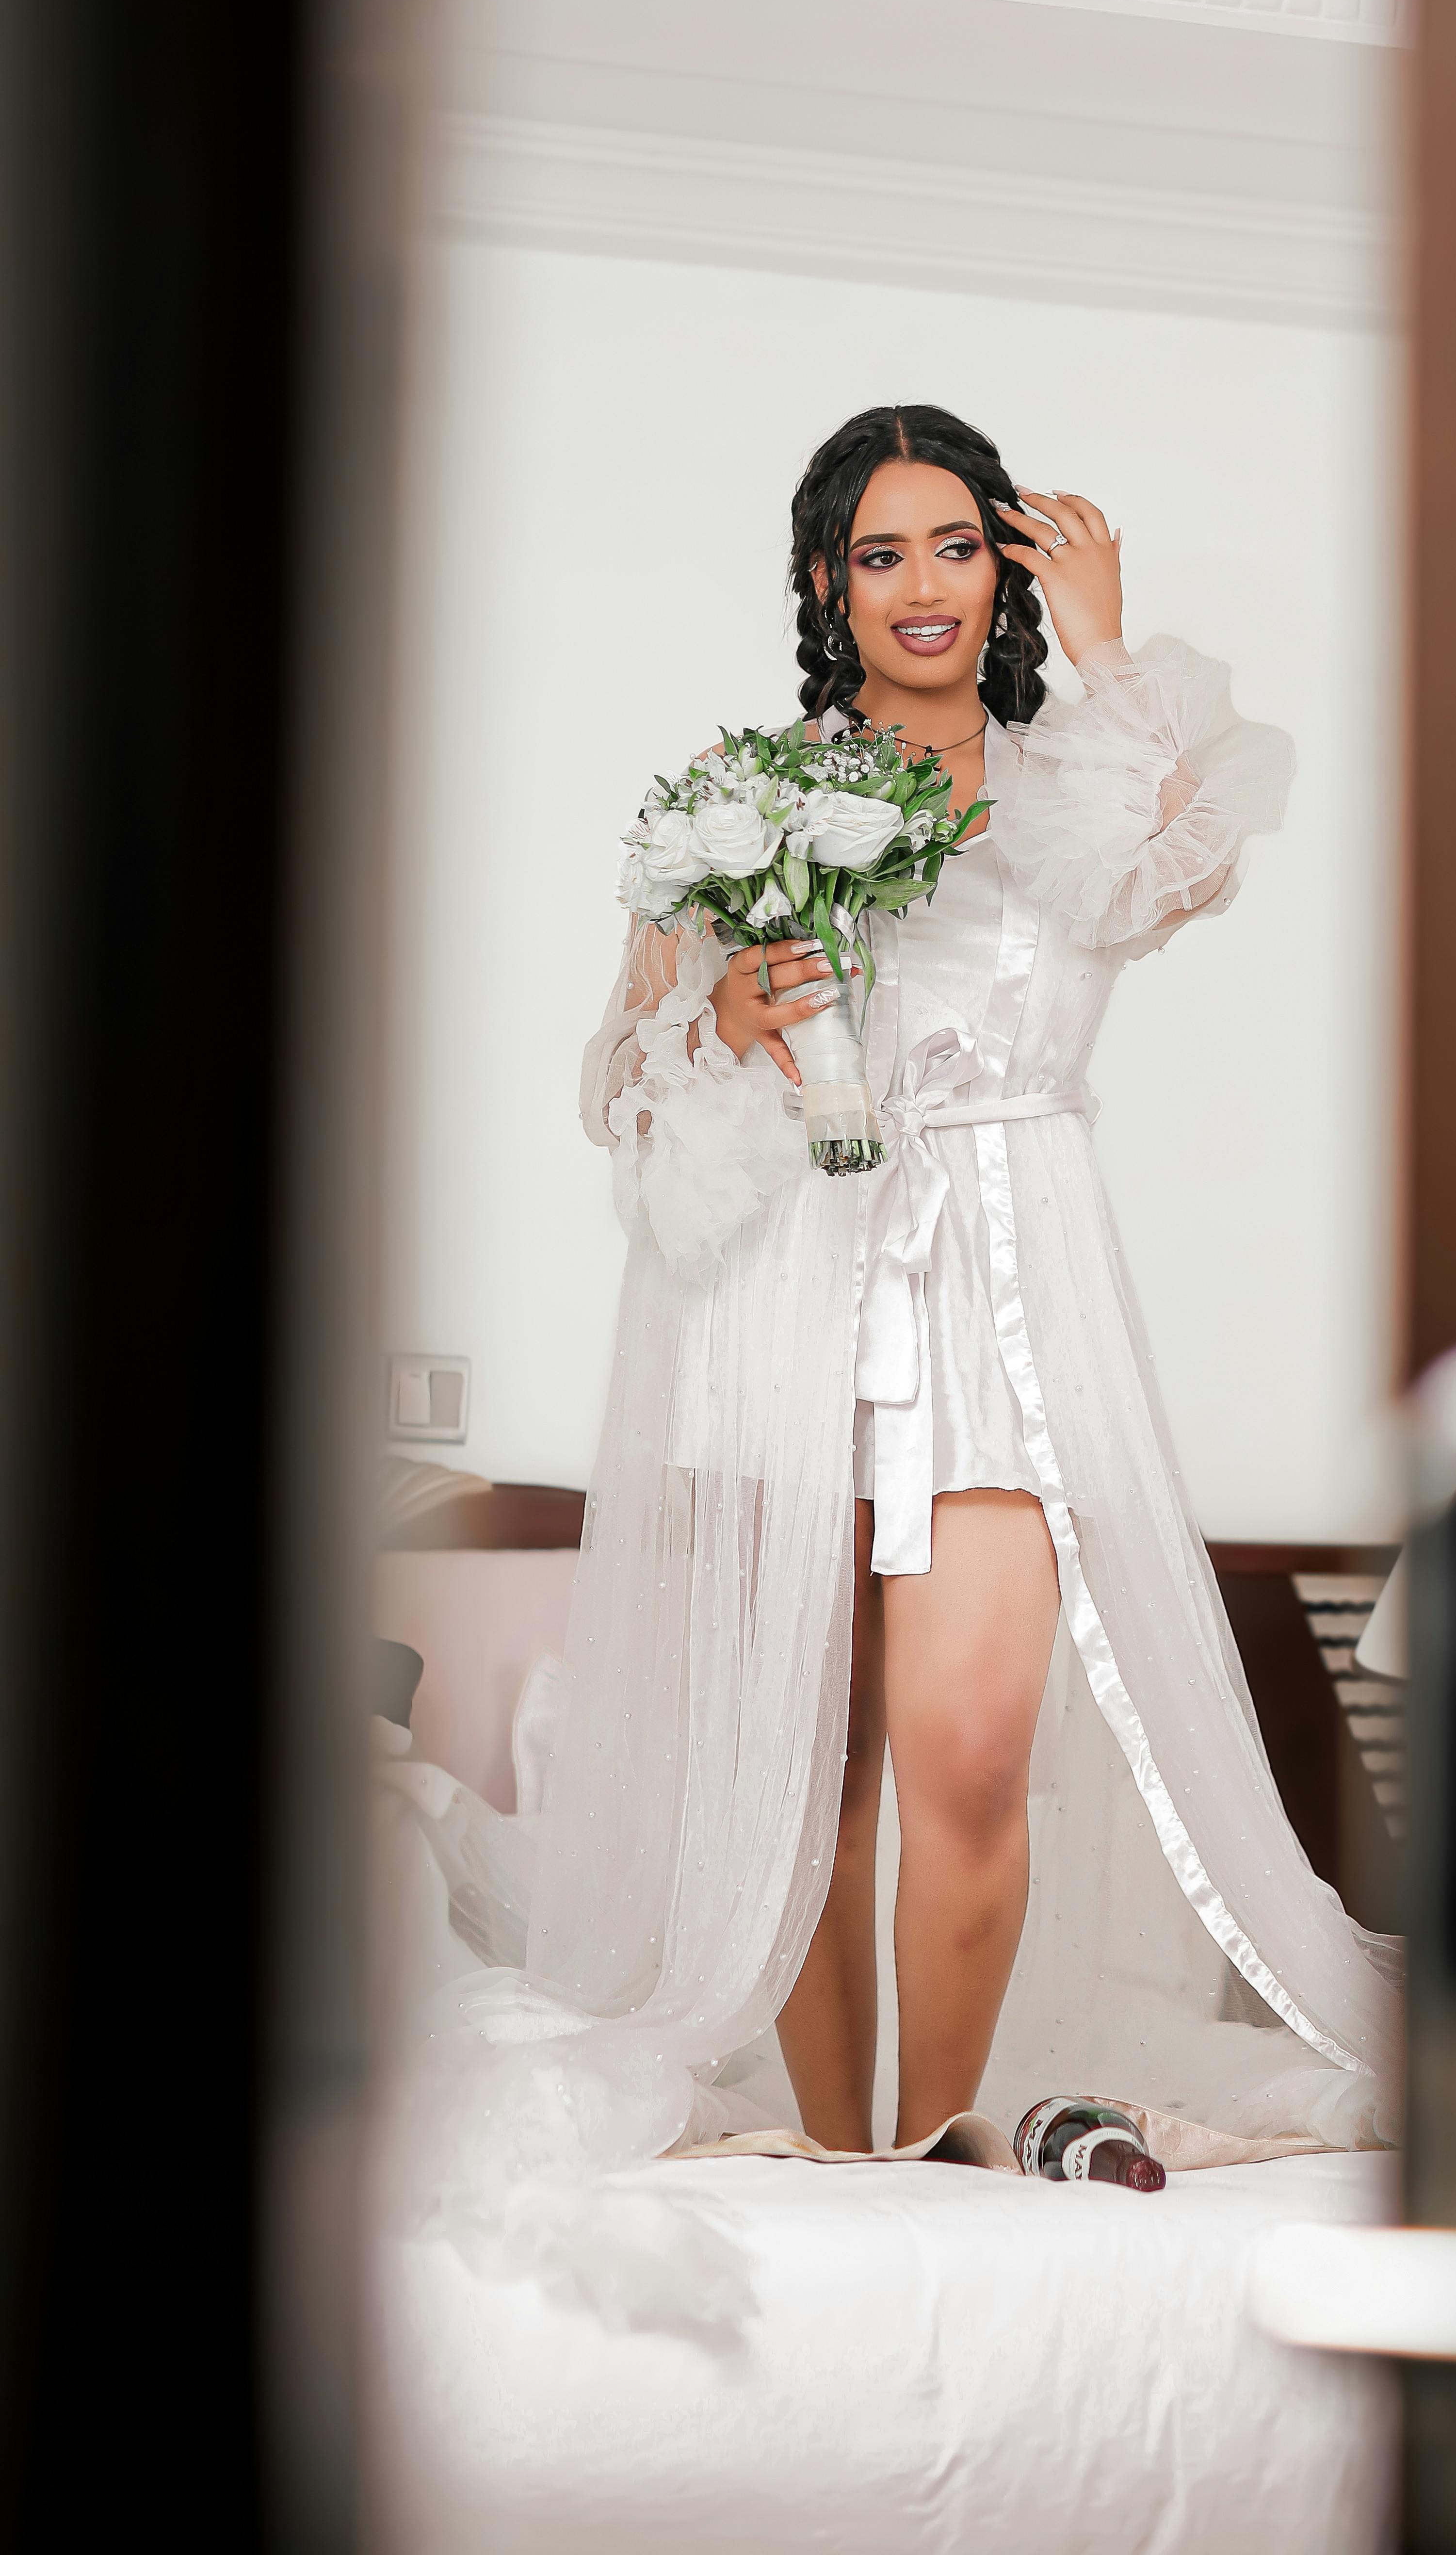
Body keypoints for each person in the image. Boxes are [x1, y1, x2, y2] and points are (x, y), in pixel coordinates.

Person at [429, 403, 1395, 2220]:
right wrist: (718, 1024)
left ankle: (938, 2151)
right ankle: (847, 2156)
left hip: (1011, 1290)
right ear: (827, 582)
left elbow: (1190, 868)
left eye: (957, 544)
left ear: (1004, 566)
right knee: (797, 1786)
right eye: (883, 553)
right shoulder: (742, 801)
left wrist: (1110, 646)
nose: (924, 586)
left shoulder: (1072, 785)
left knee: (967, 1755)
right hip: (788, 1293)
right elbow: (622, 1089)